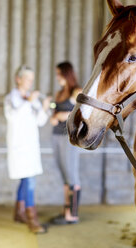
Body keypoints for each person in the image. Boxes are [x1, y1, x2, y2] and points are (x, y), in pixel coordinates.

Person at [4, 65, 51, 234]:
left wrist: (44, 107)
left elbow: (40, 121)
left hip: (31, 146)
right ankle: (32, 219)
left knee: (25, 180)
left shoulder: (32, 98)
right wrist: (29, 102)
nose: (30, 82)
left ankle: (19, 213)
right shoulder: (11, 98)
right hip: (19, 147)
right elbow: (13, 117)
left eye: (32, 79)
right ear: (18, 79)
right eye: (27, 79)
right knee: (29, 181)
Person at [50, 62, 82, 225]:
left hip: (69, 137)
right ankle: (66, 211)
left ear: (67, 74)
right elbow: (55, 111)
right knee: (64, 174)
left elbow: (84, 113)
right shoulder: (59, 93)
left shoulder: (77, 91)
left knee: (72, 174)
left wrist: (65, 115)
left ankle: (73, 214)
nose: (57, 78)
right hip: (56, 135)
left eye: (59, 74)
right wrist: (54, 115)